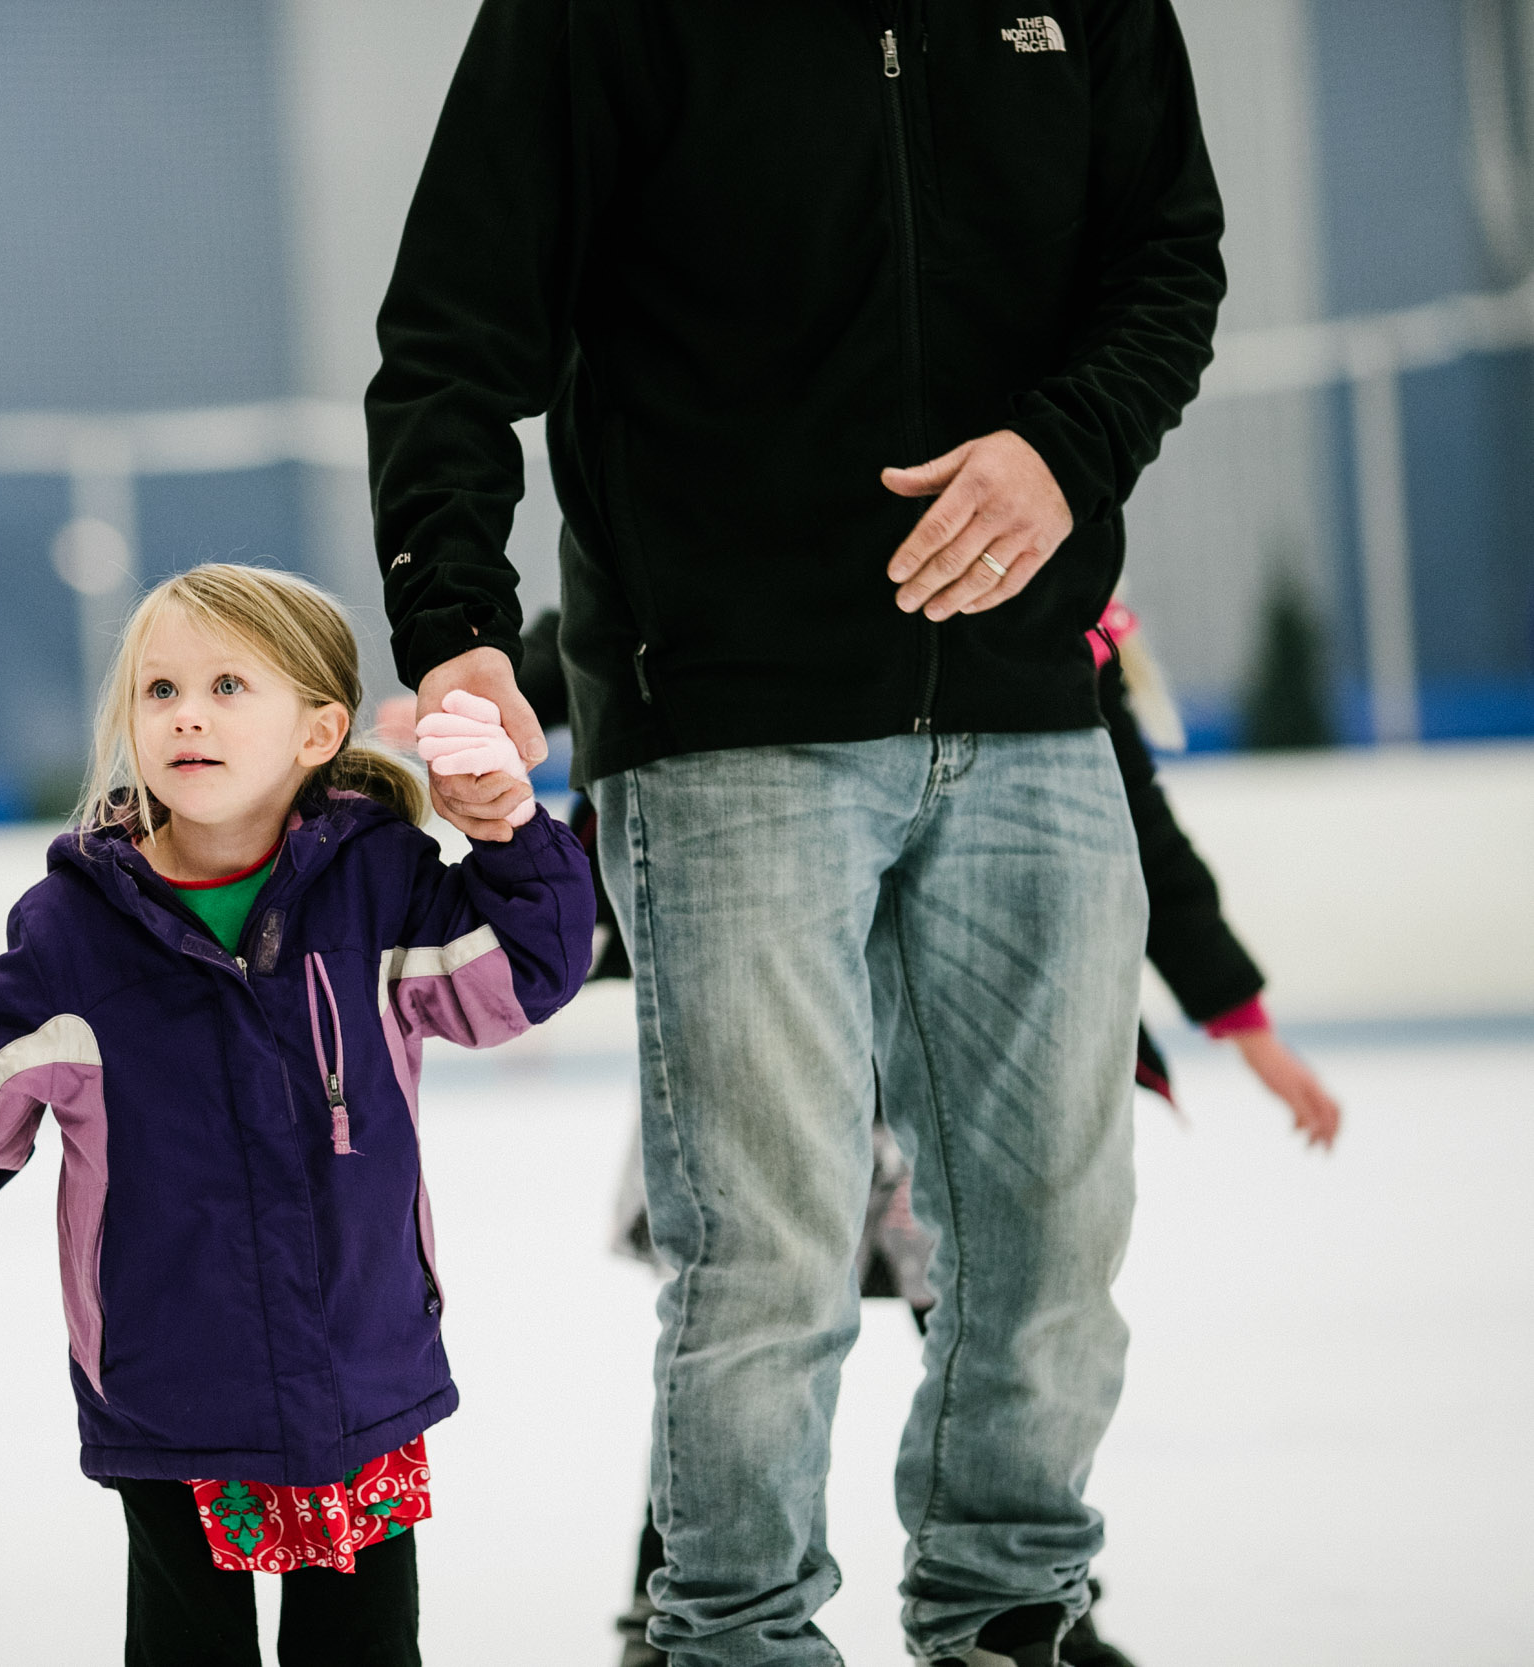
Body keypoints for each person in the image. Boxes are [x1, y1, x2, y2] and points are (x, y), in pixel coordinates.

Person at [366, 4, 1227, 1663]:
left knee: (1052, 1245)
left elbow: (1167, 261)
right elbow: (457, 321)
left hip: (1031, 702)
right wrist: (458, 620)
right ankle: (733, 1638)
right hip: (725, 718)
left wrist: (1067, 450)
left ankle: (1008, 1622)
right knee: (764, 1253)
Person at [427, 604, 1341, 1667]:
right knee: (748, 1314)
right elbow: (590, 630)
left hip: (936, 1079)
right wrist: (468, 683)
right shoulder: (751, 574)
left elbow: (1146, 844)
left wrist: (1244, 1018)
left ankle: (1026, 1598)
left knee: (992, 1296)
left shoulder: (1044, 655)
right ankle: (681, 1598)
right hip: (769, 1017)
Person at [0, 564, 596, 1666]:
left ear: (317, 729)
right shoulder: (75, 935)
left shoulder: (377, 886)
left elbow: (525, 968)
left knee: (363, 1648)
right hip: (170, 1386)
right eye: (158, 689)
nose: (186, 711)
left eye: (229, 684)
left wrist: (513, 829)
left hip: (360, 1364)